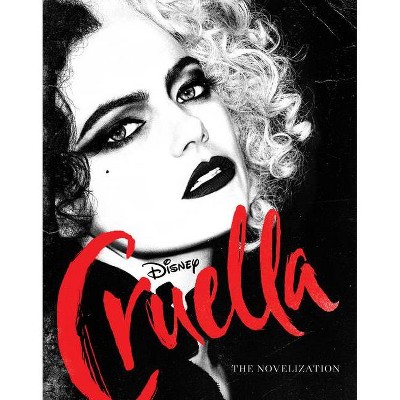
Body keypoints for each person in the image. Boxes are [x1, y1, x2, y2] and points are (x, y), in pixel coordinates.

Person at [43, 0, 311, 398]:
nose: (191, 127)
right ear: (65, 199)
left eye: (190, 90)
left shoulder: (262, 345)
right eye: (123, 129)